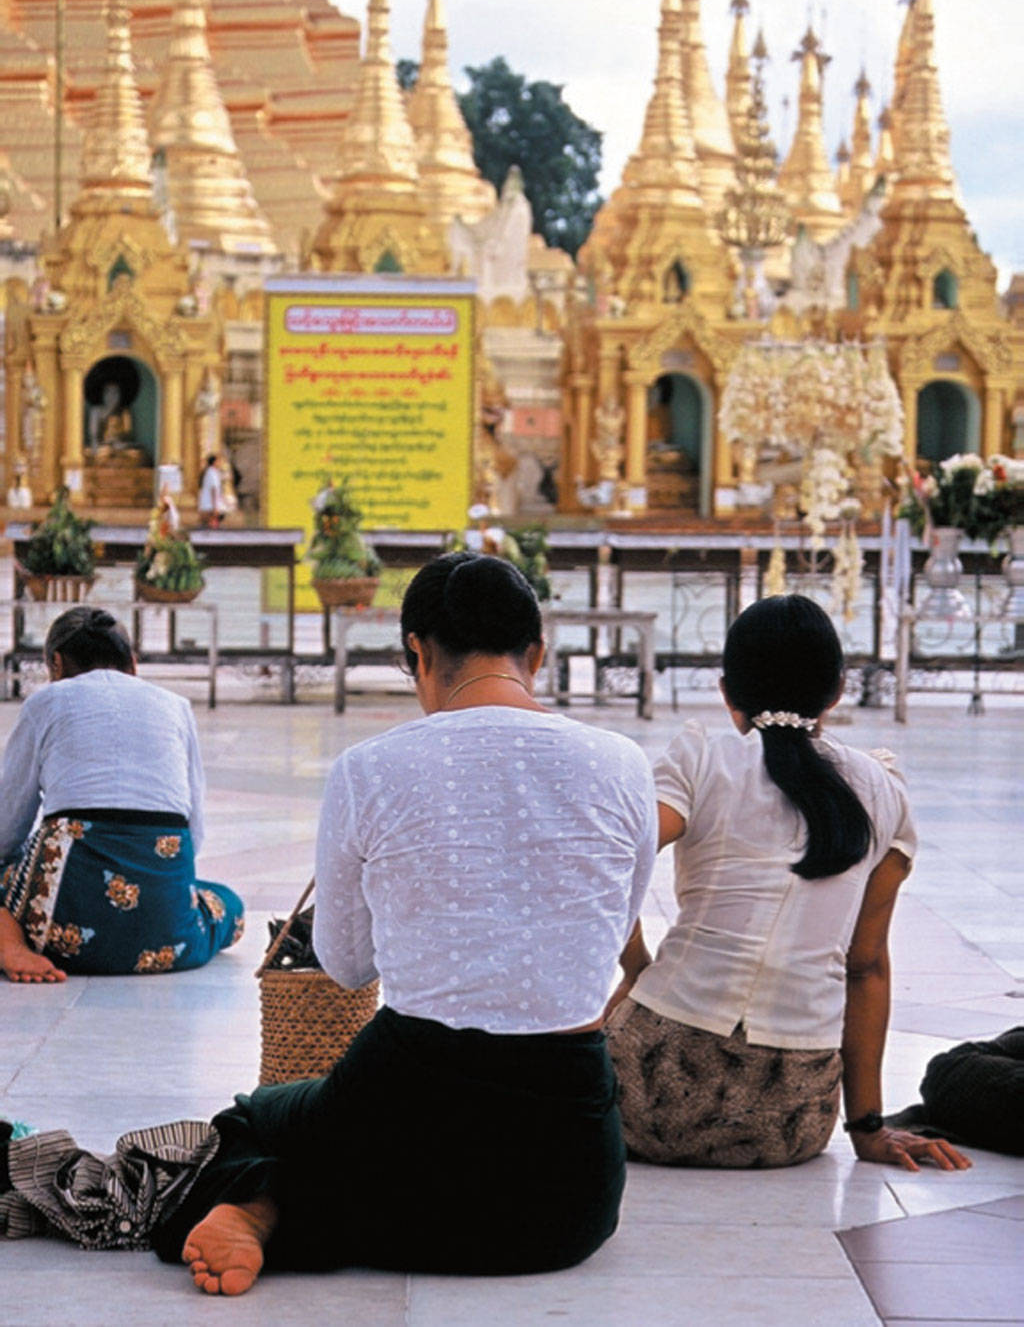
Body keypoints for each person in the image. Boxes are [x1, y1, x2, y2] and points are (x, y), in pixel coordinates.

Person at [0, 553, 657, 1293]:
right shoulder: (625, 763)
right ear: (537, 653)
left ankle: (269, 1204)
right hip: (565, 1196)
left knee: (251, 1120)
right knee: (465, 1186)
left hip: (404, 1108)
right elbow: (615, 922)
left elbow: (345, 964)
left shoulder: (371, 767)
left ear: (416, 653)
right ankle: (296, 1210)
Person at [605, 594, 972, 1175]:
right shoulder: (884, 791)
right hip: (790, 1120)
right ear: (838, 690)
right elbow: (866, 967)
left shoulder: (704, 757)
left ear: (727, 691)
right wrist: (868, 1129)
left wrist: (635, 967)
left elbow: (613, 853)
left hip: (644, 1098)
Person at [0, 607, 244, 983]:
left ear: (56, 664)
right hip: (166, 938)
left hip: (59, 930)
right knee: (228, 903)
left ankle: (11, 941)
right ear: (133, 663)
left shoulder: (46, 703)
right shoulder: (176, 707)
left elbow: (7, 824)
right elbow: (192, 833)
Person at [198, 453, 225, 528]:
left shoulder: (209, 472)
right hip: (211, 504)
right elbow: (214, 489)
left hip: (208, 503)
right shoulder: (212, 473)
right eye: (218, 461)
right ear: (214, 462)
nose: (220, 463)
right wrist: (215, 506)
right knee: (211, 523)